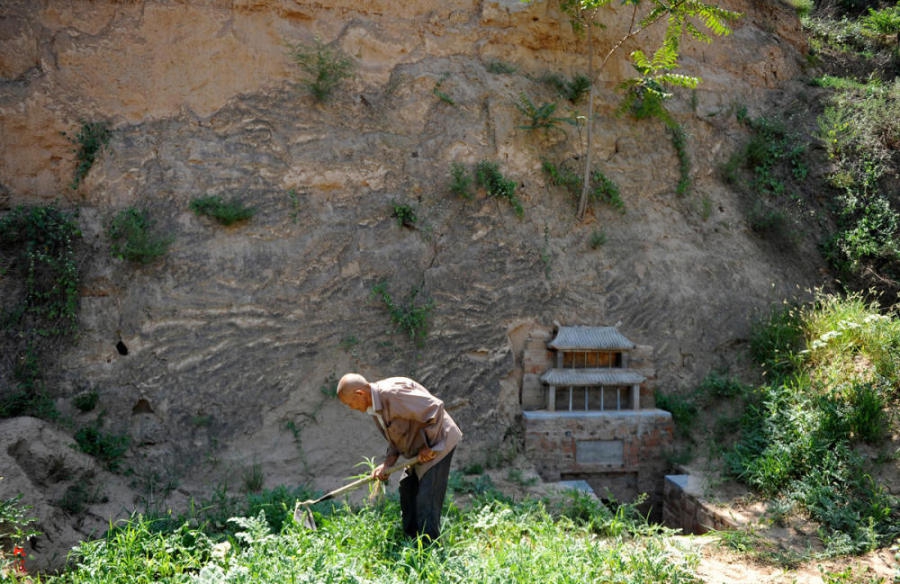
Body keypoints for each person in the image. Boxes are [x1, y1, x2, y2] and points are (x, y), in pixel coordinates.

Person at [336, 373, 462, 541]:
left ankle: (430, 551)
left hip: (438, 442)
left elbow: (434, 408)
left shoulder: (393, 394)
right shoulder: (374, 405)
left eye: (350, 403)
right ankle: (411, 542)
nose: (352, 408)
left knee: (426, 500)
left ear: (360, 394)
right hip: (419, 448)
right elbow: (396, 435)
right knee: (407, 490)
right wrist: (387, 464)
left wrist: (429, 446)